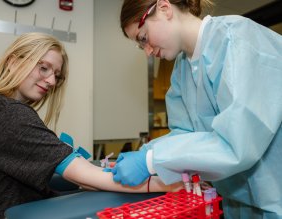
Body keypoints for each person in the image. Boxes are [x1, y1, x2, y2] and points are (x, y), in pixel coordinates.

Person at [0, 32, 182, 219]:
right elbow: (85, 177)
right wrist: (168, 185)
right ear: (14, 62)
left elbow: (81, 176)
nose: (52, 81)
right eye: (44, 68)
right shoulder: (4, 113)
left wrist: (87, 169)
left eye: (56, 75)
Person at [111, 0, 282, 218]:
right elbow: (186, 135)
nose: (147, 51)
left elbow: (238, 141)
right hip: (236, 199)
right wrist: (146, 153)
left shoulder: (237, 39)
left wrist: (151, 161)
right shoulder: (182, 69)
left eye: (144, 38)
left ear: (164, 8)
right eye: (140, 45)